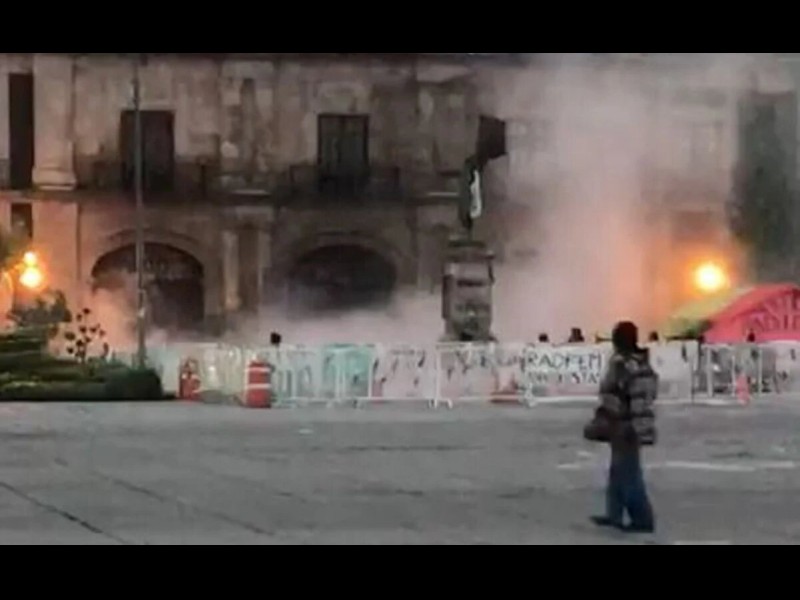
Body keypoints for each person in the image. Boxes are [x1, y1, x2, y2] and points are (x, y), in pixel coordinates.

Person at [587, 321, 658, 533]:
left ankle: (641, 519)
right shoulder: (641, 365)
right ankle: (614, 514)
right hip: (633, 422)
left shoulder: (623, 365)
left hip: (624, 424)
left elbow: (616, 396)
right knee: (619, 472)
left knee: (628, 474)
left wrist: (605, 421)